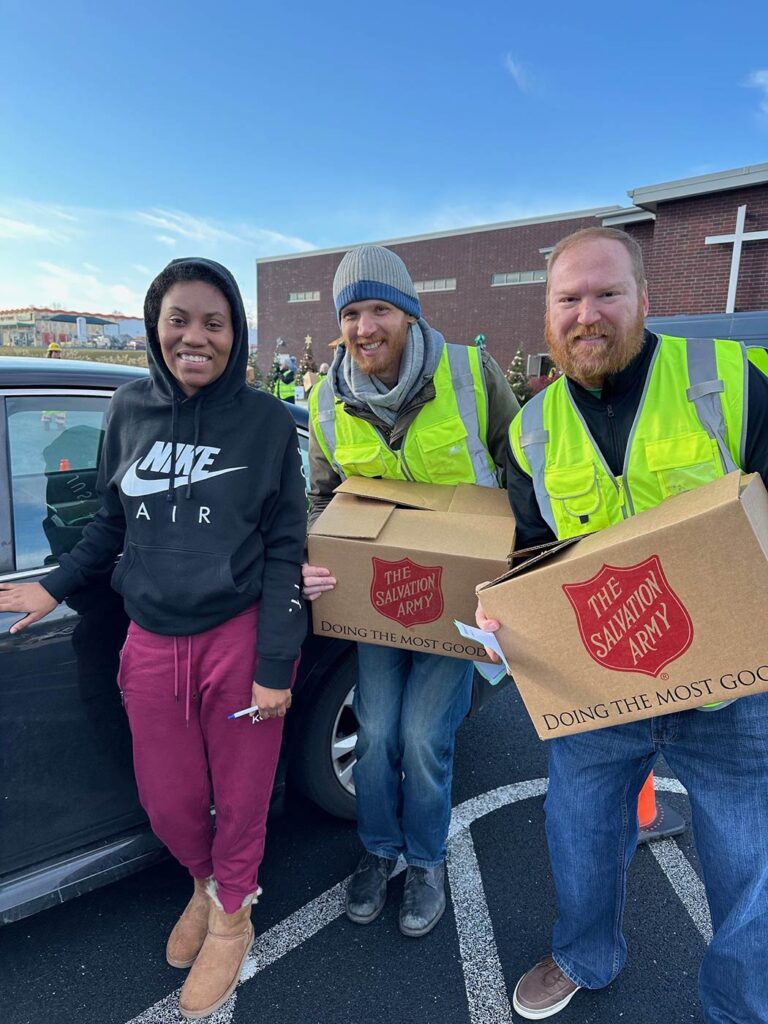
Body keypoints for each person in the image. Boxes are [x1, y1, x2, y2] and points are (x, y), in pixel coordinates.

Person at [0, 258, 307, 1020]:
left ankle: (234, 916)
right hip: (150, 642)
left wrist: (274, 662)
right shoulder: (129, 409)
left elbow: (284, 550)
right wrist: (56, 583)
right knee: (168, 802)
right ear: (154, 325)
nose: (194, 336)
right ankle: (206, 884)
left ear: (235, 335)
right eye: (179, 319)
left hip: (237, 639)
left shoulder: (267, 423)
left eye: (214, 322)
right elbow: (109, 522)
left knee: (239, 800)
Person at [477, 226, 768, 1022]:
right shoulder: (530, 433)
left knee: (752, 867)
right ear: (546, 314)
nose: (587, 314)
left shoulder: (733, 380)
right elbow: (536, 554)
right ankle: (584, 955)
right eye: (568, 299)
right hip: (602, 687)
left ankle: (740, 1008)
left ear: (646, 299)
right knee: (578, 838)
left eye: (607, 293)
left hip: (731, 691)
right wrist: (504, 609)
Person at [303, 244, 518, 937]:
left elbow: (520, 465)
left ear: (409, 313)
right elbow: (320, 499)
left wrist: (514, 568)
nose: (366, 328)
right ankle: (377, 850)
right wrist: (315, 558)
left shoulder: (468, 373)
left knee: (426, 737)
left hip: (455, 599)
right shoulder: (324, 399)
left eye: (380, 310)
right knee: (375, 737)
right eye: (352, 313)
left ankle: (425, 859)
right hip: (378, 600)